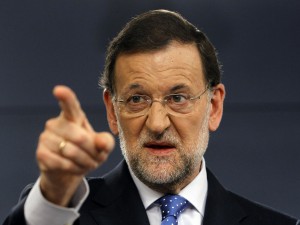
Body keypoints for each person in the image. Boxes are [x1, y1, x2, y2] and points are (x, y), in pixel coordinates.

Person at [3, 9, 299, 225]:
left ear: (214, 106)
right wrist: (54, 193)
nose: (157, 124)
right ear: (112, 111)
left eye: (178, 98)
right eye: (137, 99)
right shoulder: (64, 213)